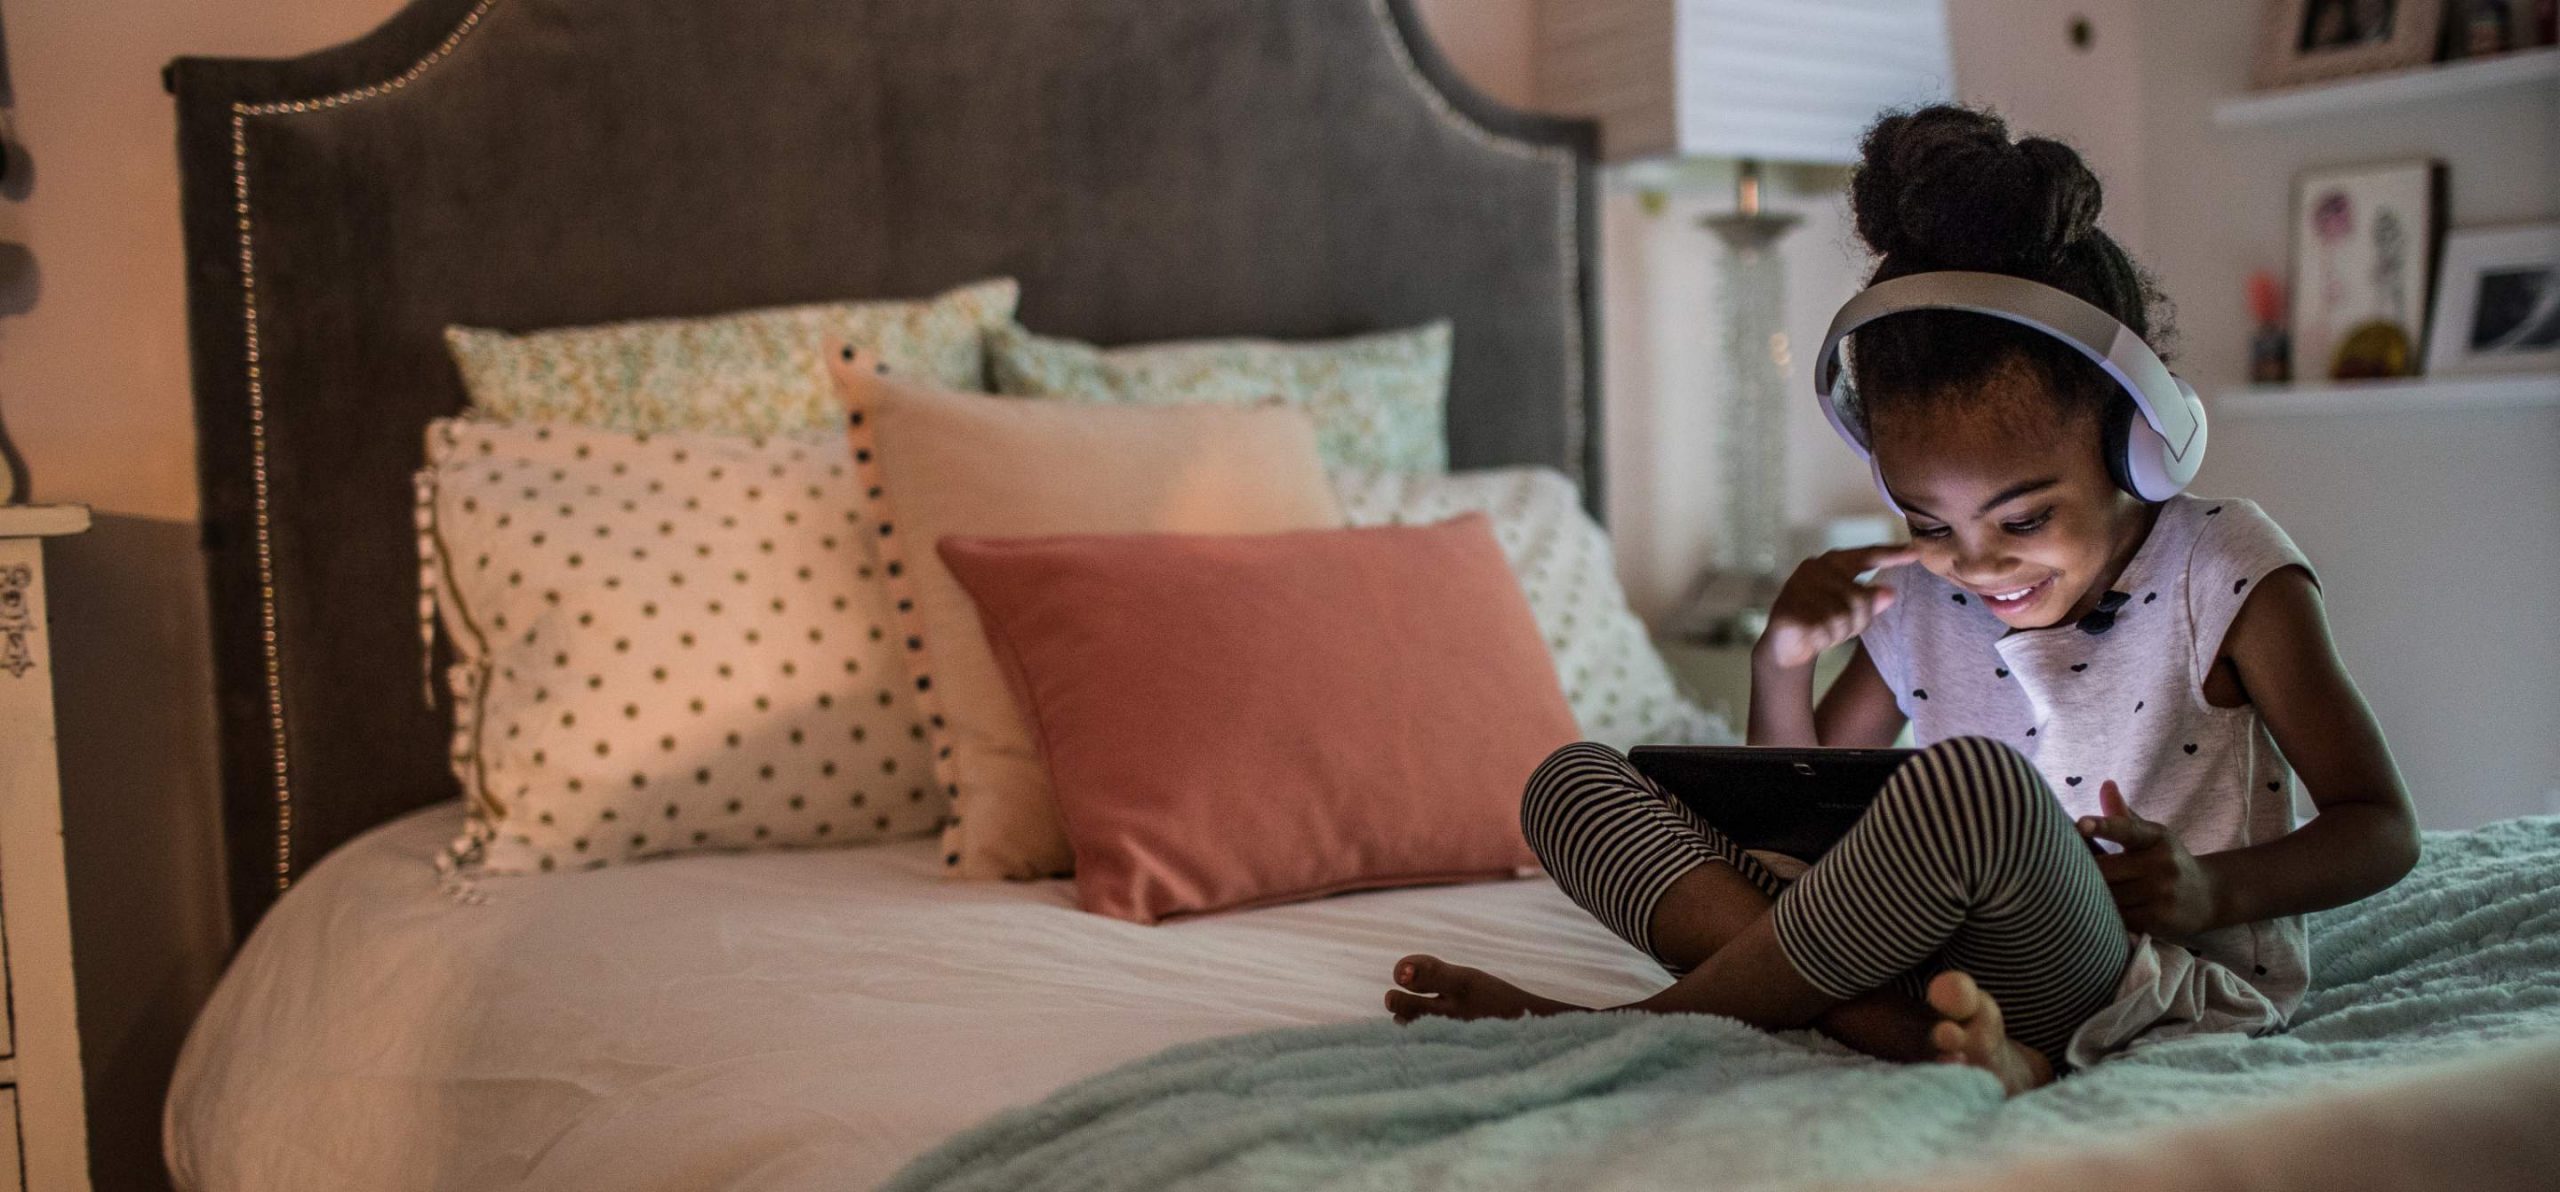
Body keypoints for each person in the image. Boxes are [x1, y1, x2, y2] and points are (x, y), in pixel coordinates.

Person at [1383, 104, 2419, 1094]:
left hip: (2127, 973)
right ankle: (1939, 1042)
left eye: (2021, 520)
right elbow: (1800, 826)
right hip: (1929, 960)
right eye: (1929, 523)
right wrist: (1779, 661)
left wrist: (2212, 891)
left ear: (2136, 448)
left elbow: (2381, 826)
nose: (1974, 566)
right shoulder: (1926, 597)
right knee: (1573, 785)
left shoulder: (2225, 570)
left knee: (1975, 789)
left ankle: (1627, 1031)